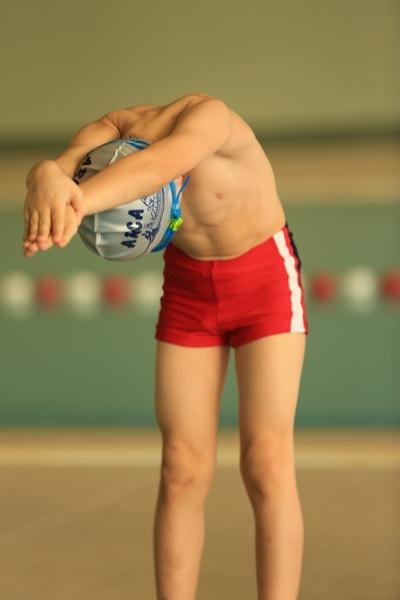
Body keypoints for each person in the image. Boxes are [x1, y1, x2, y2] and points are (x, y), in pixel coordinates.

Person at [23, 92, 309, 600]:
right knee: (180, 465)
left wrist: (77, 202)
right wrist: (45, 176)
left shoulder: (208, 117)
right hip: (189, 287)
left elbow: (158, 166)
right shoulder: (110, 130)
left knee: (266, 461)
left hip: (264, 280)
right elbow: (59, 168)